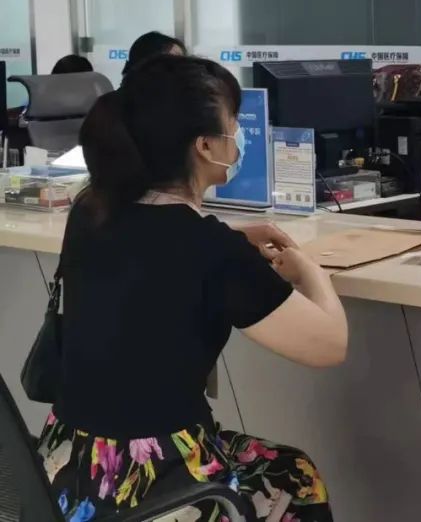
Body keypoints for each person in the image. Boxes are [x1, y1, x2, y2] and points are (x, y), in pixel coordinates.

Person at [38, 54, 345, 521]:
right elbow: (328, 345)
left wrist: (232, 237)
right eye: (232, 123)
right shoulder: (211, 250)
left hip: (67, 469)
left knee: (283, 466)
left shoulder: (90, 210)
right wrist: (312, 273)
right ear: (204, 145)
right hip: (154, 484)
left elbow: (154, 245)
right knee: (294, 476)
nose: (238, 134)